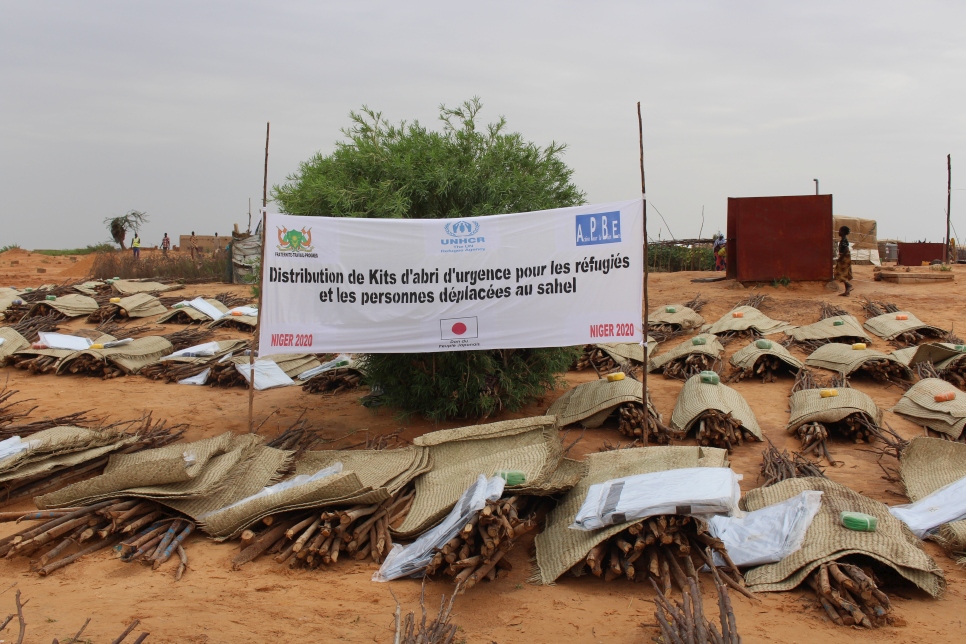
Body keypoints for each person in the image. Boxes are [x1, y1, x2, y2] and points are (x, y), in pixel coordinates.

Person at [835, 226, 853, 297]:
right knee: (843, 273)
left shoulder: (844, 240)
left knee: (839, 273)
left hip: (844, 258)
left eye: (839, 231)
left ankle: (848, 285)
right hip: (844, 257)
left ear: (843, 232)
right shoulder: (843, 239)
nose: (838, 232)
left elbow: (846, 249)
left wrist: (841, 258)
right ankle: (847, 291)